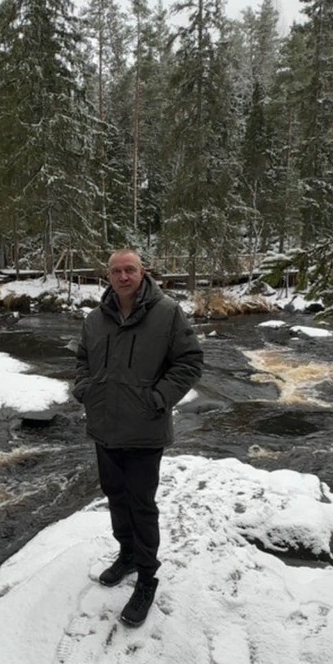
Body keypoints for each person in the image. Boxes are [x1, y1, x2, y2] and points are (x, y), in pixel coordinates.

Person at [73, 249, 204, 627]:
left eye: (129, 269)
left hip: (145, 429)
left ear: (142, 271)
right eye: (116, 271)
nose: (123, 276)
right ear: (108, 276)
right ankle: (127, 555)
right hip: (104, 427)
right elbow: (82, 359)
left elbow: (190, 361)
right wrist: (84, 388)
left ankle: (147, 577)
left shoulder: (167, 312)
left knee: (141, 505)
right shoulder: (96, 319)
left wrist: (159, 398)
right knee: (115, 495)